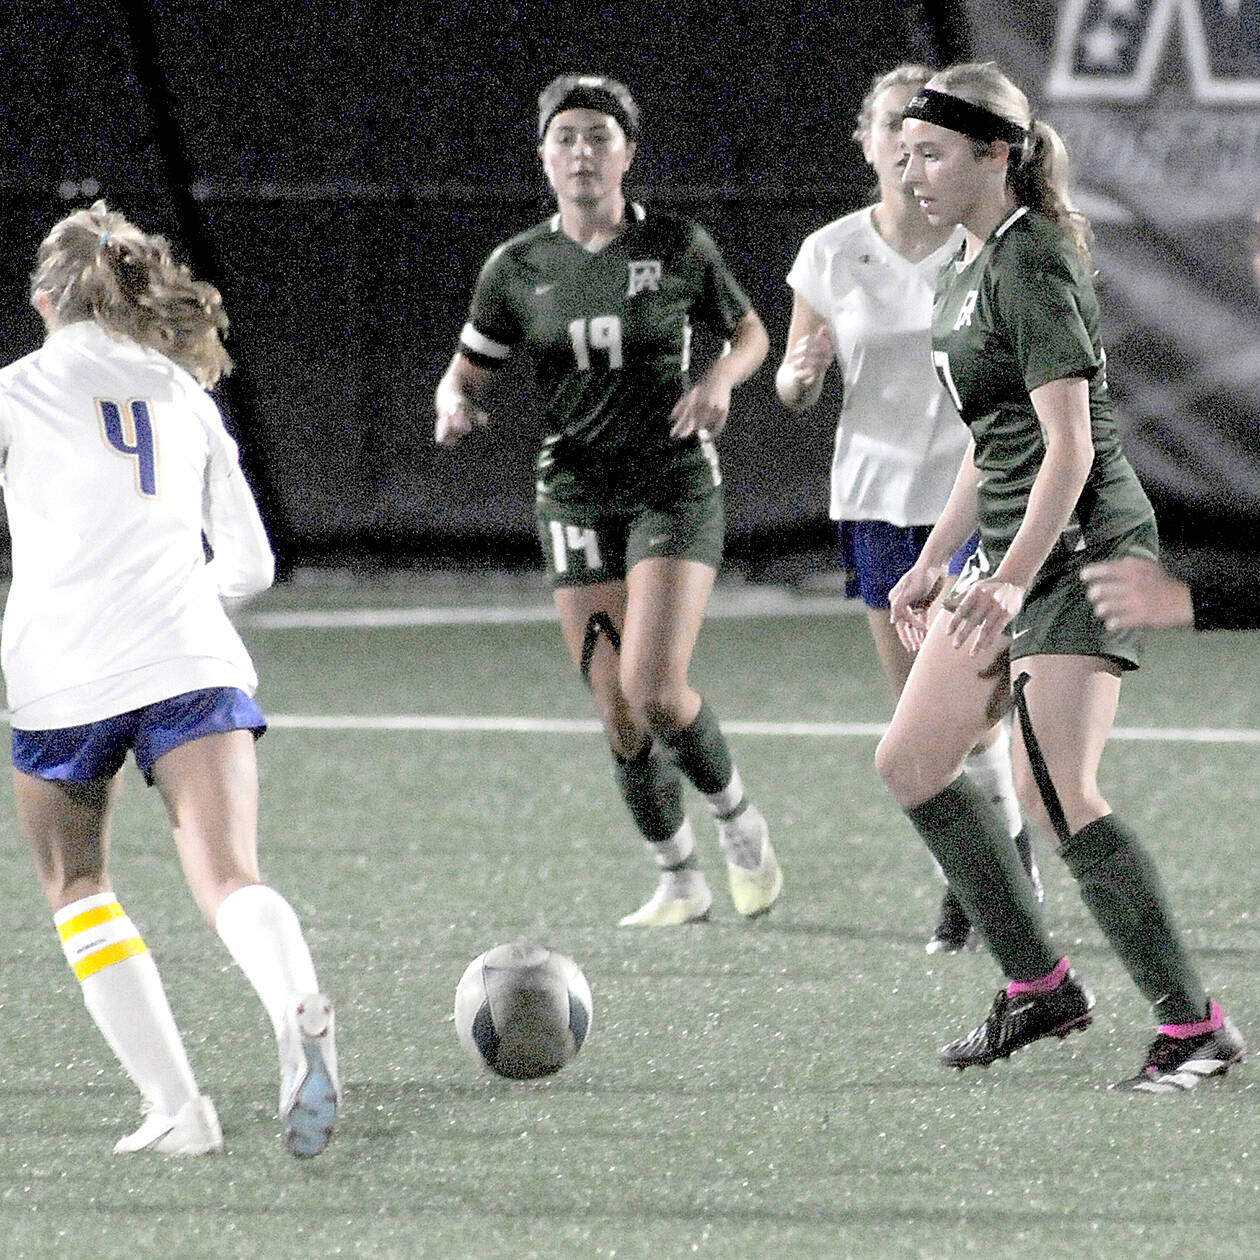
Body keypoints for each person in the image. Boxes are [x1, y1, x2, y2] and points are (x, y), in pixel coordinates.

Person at [873, 62, 1244, 1090]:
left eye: (934, 151)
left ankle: (1194, 1028)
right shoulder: (963, 264)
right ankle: (1040, 988)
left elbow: (1068, 449)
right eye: (904, 154)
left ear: (998, 153)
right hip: (1008, 549)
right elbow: (991, 446)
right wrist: (934, 560)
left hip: (1076, 545)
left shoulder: (1032, 259)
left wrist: (1008, 577)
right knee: (911, 763)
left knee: (1055, 792)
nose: (913, 171)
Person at [0, 201, 339, 1156]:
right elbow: (253, 565)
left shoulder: (14, 389)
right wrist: (177, 609)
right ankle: (295, 1009)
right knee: (228, 875)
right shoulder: (184, 391)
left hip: (59, 671)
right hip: (189, 656)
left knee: (78, 883)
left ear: (43, 301)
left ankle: (179, 1110)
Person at [434, 73, 782, 927]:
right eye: (566, 137)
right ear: (543, 157)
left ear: (628, 152)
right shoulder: (516, 267)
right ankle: (679, 878)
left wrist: (721, 381)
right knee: (619, 712)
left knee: (656, 686)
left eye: (599, 135)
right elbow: (469, 368)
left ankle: (741, 826)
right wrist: (453, 399)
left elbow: (750, 333)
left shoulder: (677, 245)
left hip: (670, 485)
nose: (582, 151)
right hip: (575, 493)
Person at [776, 63, 1038, 954]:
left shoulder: (984, 245)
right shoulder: (831, 251)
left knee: (975, 715)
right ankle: (970, 878)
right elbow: (795, 378)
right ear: (868, 139)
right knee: (917, 726)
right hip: (879, 503)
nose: (904, 143)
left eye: (924, 130)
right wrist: (797, 378)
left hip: (975, 502)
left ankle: (996, 879)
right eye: (893, 125)